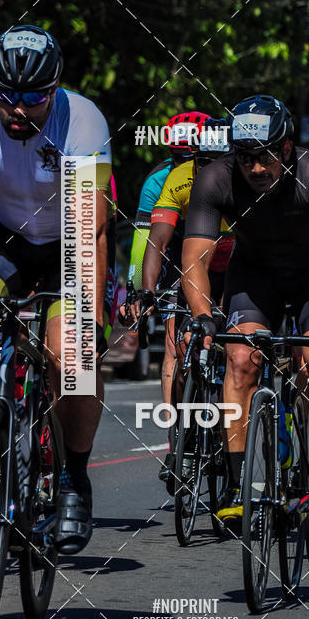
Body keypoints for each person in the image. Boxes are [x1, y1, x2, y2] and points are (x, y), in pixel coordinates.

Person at [181, 93, 309, 520]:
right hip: (256, 276)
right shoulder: (215, 180)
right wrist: (204, 316)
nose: (256, 168)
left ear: (286, 147)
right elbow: (194, 259)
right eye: (245, 158)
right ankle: (239, 484)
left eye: (265, 157)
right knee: (240, 359)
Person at [0, 24, 112, 553]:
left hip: (68, 240)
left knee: (74, 356)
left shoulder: (81, 120)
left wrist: (90, 319)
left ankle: (73, 481)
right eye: (7, 97)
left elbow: (91, 230)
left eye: (34, 98)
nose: (19, 109)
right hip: (2, 237)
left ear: (55, 89)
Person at [138, 114, 234, 488]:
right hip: (194, 264)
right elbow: (157, 241)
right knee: (182, 350)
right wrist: (147, 291)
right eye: (204, 161)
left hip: (238, 263)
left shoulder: (244, 181)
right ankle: (183, 437)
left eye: (219, 162)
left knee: (233, 347)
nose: (211, 170)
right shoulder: (179, 178)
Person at [126, 111, 211, 430]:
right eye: (177, 156)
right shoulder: (158, 180)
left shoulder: (224, 172)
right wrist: (138, 289)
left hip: (215, 249)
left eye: (191, 156)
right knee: (175, 346)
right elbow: (143, 240)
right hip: (172, 251)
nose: (184, 165)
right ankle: (176, 433)